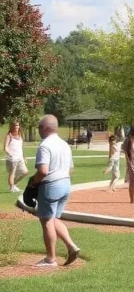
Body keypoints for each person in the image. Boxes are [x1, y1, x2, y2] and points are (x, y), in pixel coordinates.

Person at [29, 115, 81, 268]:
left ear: (44, 128)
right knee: (54, 218)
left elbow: (43, 171)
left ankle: (50, 259)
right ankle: (72, 246)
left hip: (51, 185)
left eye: (39, 127)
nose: (38, 130)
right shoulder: (64, 144)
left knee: (46, 221)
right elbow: (70, 169)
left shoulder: (45, 145)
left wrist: (33, 182)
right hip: (65, 184)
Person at [5, 120, 29, 193]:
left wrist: (24, 158)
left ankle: (13, 184)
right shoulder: (9, 136)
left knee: (25, 172)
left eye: (18, 125)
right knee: (12, 173)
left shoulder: (20, 135)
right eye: (15, 125)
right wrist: (9, 154)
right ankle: (12, 188)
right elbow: (5, 147)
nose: (16, 127)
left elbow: (21, 148)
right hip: (12, 159)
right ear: (12, 126)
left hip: (20, 158)